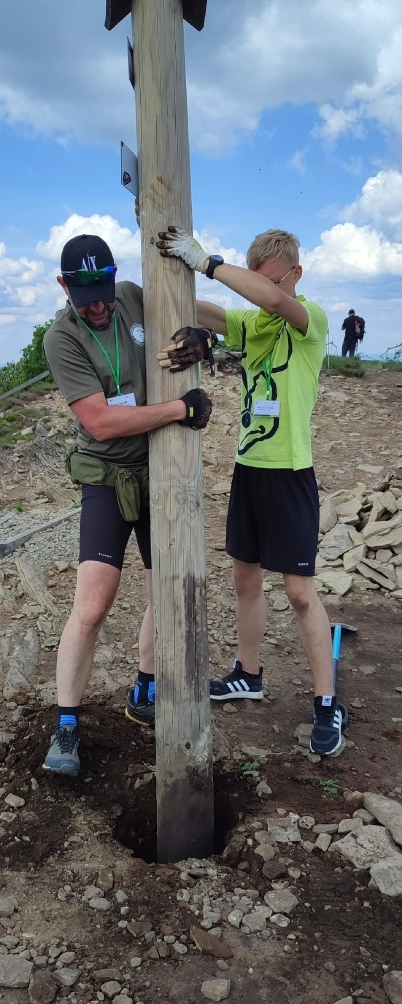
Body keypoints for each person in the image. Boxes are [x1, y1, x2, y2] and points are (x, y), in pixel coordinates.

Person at [156, 225, 344, 758]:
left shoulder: (309, 321)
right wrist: (164, 277)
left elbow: (272, 300)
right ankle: (248, 673)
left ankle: (326, 701)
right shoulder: (253, 323)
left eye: (272, 282)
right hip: (249, 466)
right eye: (254, 281)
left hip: (290, 471)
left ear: (294, 276)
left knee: (300, 590)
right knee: (244, 576)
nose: (261, 293)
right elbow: (215, 311)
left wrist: (206, 259)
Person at [42, 233, 214, 775]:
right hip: (108, 475)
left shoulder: (136, 298)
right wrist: (177, 409)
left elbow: (195, 309)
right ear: (63, 286)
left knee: (165, 587)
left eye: (104, 291)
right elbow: (99, 419)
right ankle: (66, 725)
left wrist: (202, 331)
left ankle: (145, 688)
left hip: (161, 467)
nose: (98, 305)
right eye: (85, 295)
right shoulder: (61, 338)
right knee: (93, 604)